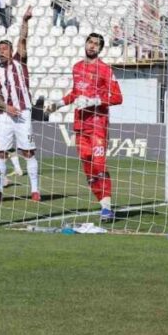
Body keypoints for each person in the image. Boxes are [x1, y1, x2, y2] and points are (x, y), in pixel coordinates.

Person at [46, 33, 124, 222]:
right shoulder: (77, 68)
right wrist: (59, 103)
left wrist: (94, 101)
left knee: (99, 165)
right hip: (80, 125)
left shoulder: (105, 70)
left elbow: (117, 97)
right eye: (90, 42)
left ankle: (106, 207)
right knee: (88, 168)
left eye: (96, 44)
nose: (92, 46)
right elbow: (75, 93)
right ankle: (103, 203)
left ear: (100, 48)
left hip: (98, 124)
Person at [0, 7, 41, 202]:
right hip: (5, 116)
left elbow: (23, 40)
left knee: (27, 151)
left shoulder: (20, 62)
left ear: (11, 51)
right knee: (1, 152)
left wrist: (25, 21)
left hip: (23, 113)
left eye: (4, 49)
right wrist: (6, 107)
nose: (1, 52)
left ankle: (35, 190)